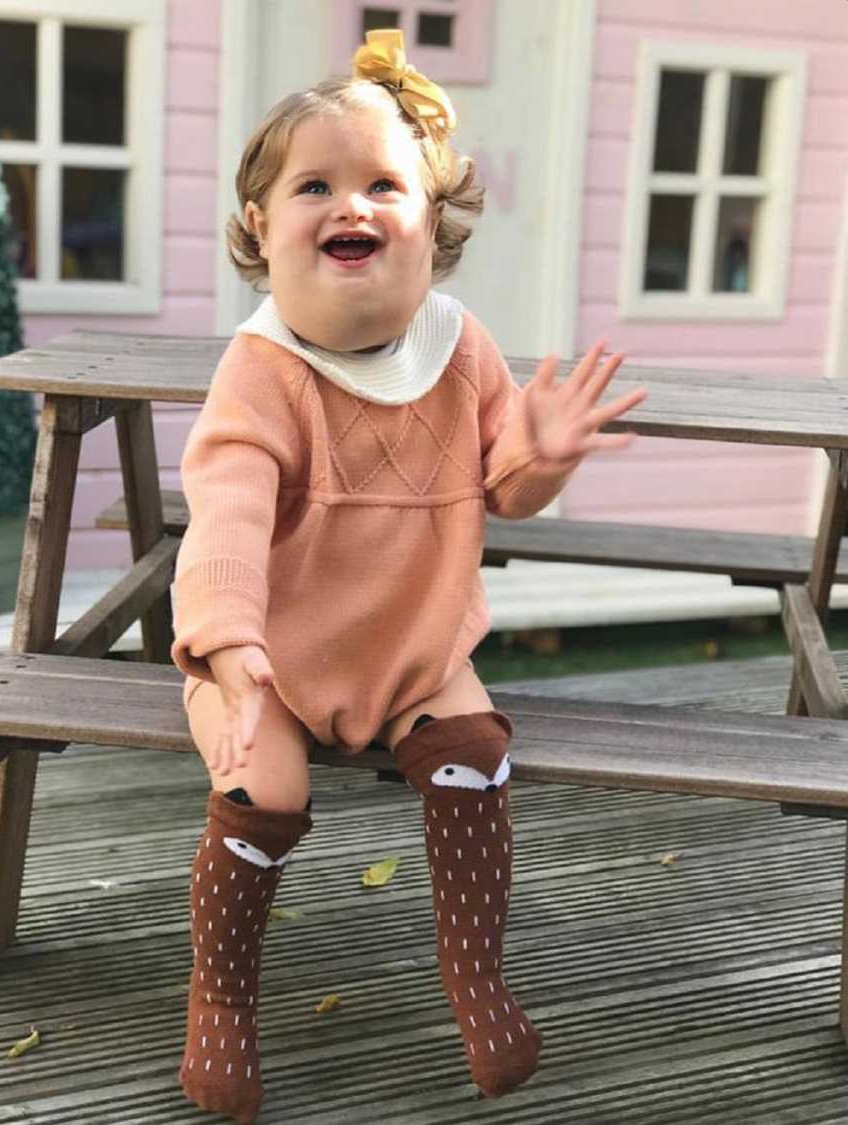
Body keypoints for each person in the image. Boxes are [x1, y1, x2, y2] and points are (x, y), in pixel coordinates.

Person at [170, 28, 647, 1124]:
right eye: (316, 185)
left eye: (385, 184)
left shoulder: (459, 346)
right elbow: (229, 517)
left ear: (431, 222)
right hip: (269, 658)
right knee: (263, 786)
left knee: (474, 753)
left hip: (417, 646)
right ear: (260, 226)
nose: (354, 204)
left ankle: (475, 976)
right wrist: (231, 647)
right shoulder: (261, 375)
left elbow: (505, 484)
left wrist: (546, 451)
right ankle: (221, 1002)